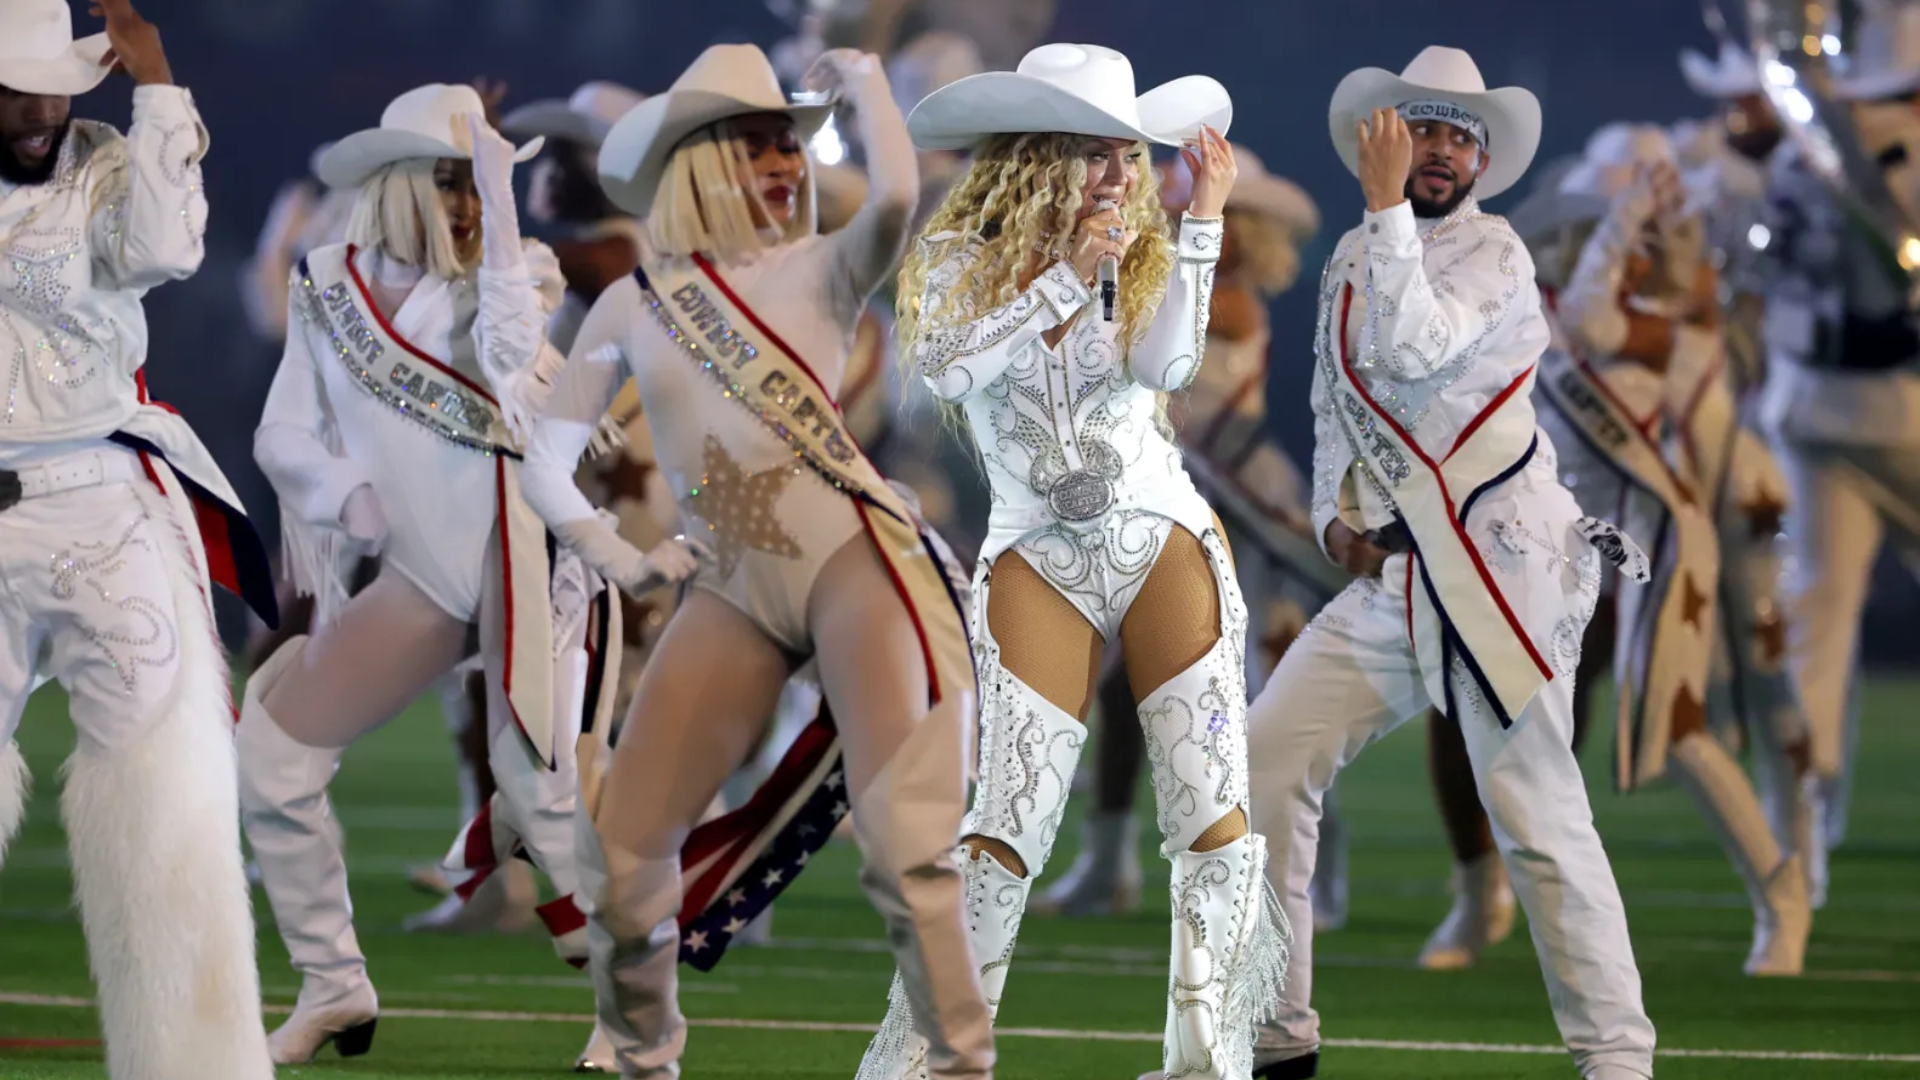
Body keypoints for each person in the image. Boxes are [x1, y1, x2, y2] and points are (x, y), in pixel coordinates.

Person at [519, 43, 995, 1079]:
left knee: (906, 845)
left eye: (794, 142)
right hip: (728, 592)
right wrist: (617, 554)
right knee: (627, 856)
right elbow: (544, 466)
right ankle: (643, 1054)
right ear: (697, 161)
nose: (790, 162)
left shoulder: (822, 266)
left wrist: (866, 80)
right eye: (763, 143)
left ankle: (961, 1065)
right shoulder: (631, 303)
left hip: (853, 564)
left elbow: (901, 190)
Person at [857, 43, 1287, 1080]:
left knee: (1212, 819)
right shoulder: (962, 253)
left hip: (1162, 539)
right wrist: (1063, 278)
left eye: (1121, 154)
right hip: (1035, 554)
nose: (1111, 173)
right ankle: (931, 1053)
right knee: (1003, 826)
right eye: (1087, 152)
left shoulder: (1139, 246)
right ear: (1030, 155)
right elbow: (947, 370)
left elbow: (1168, 366)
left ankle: (1207, 1061)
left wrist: (1197, 229)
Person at [241, 82, 693, 1065]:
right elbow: (281, 430)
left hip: (530, 562)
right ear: (395, 182)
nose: (466, 201)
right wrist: (334, 490)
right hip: (422, 576)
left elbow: (506, 359)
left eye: (476, 181)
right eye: (449, 180)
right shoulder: (325, 281)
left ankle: (641, 1032)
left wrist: (496, 201)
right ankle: (333, 987)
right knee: (271, 760)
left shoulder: (521, 267)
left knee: (546, 797)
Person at [1239, 47, 1659, 1080]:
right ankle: (1273, 1037)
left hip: (1497, 572)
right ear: (1389, 138)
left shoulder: (1500, 256)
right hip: (1397, 580)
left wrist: (1385, 212)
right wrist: (1335, 511)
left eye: (1460, 136)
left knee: (1539, 823)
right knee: (1259, 767)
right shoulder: (1348, 253)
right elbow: (1334, 395)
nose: (1441, 150)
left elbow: (1419, 345)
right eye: (1423, 129)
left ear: (1481, 160)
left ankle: (1619, 1062)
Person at [0, 0, 278, 1076]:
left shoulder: (110, 162)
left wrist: (159, 90)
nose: (40, 113)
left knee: (170, 809)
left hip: (100, 505)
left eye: (56, 91)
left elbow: (167, 249)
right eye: (17, 90)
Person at [1034, 146, 1352, 931]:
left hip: (1234, 504)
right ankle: (1106, 865)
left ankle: (1314, 866)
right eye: (1178, 217)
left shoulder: (1231, 298)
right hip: (1162, 499)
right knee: (1117, 684)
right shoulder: (1168, 279)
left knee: (1247, 696)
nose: (1187, 229)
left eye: (1207, 218)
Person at [1528, 124, 1812, 976]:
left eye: (1648, 232)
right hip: (1572, 553)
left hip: (1662, 543)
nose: (1641, 249)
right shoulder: (1526, 314)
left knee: (1681, 729)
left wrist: (1626, 226)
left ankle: (1782, 888)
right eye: (1622, 231)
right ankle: (1517, 907)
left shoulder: (1658, 331)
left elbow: (1590, 318)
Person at [1758, 1, 1920, 884]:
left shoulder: (1801, 147)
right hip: (1902, 411)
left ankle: (1798, 849)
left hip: (1812, 409)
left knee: (1816, 632)